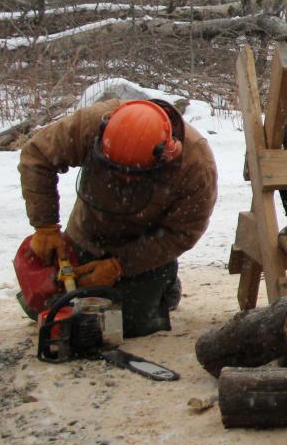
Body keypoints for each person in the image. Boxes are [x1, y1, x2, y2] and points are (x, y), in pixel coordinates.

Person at [19, 98, 218, 338]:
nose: (122, 179)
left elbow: (182, 234)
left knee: (124, 324)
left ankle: (163, 286)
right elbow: (37, 154)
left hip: (141, 248)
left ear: (167, 154)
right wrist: (45, 226)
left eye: (132, 174)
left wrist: (120, 265)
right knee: (54, 311)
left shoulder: (196, 166)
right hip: (88, 233)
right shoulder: (91, 123)